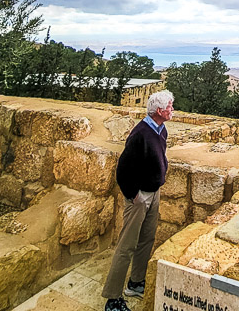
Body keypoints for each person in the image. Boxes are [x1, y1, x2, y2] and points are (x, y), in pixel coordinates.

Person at [102, 89, 174, 311]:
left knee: (146, 239)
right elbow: (122, 170)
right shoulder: (140, 134)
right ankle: (112, 298)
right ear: (160, 110)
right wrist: (134, 196)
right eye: (170, 106)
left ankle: (136, 283)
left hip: (154, 192)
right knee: (127, 246)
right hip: (139, 196)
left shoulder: (161, 130)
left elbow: (160, 157)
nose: (173, 109)